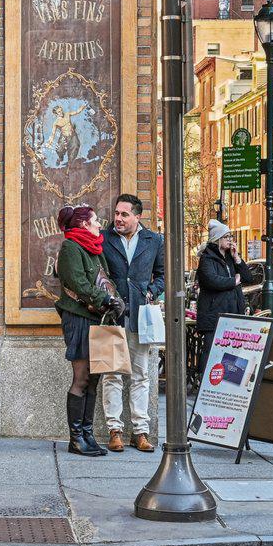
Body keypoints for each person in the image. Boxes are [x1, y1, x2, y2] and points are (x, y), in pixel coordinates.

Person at [98, 191, 164, 453]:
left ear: (137, 216)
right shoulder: (103, 238)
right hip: (110, 315)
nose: (118, 218)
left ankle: (140, 431)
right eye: (116, 213)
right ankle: (114, 430)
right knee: (111, 374)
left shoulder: (154, 240)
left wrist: (151, 291)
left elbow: (162, 274)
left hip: (139, 315)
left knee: (140, 375)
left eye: (124, 214)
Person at [54, 203, 121, 458]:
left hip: (98, 319)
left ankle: (88, 434)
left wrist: (116, 299)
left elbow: (105, 279)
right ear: (84, 224)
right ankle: (76, 439)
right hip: (79, 319)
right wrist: (106, 300)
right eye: (95, 220)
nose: (99, 224)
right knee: (81, 379)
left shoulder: (94, 248)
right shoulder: (71, 247)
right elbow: (78, 283)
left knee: (94, 379)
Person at [194, 220, 256, 358]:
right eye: (226, 237)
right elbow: (212, 280)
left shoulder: (230, 257)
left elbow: (248, 278)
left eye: (230, 236)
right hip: (214, 316)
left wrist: (237, 258)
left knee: (231, 356)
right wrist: (234, 281)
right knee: (212, 355)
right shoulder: (207, 258)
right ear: (217, 239)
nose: (230, 240)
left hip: (233, 314)